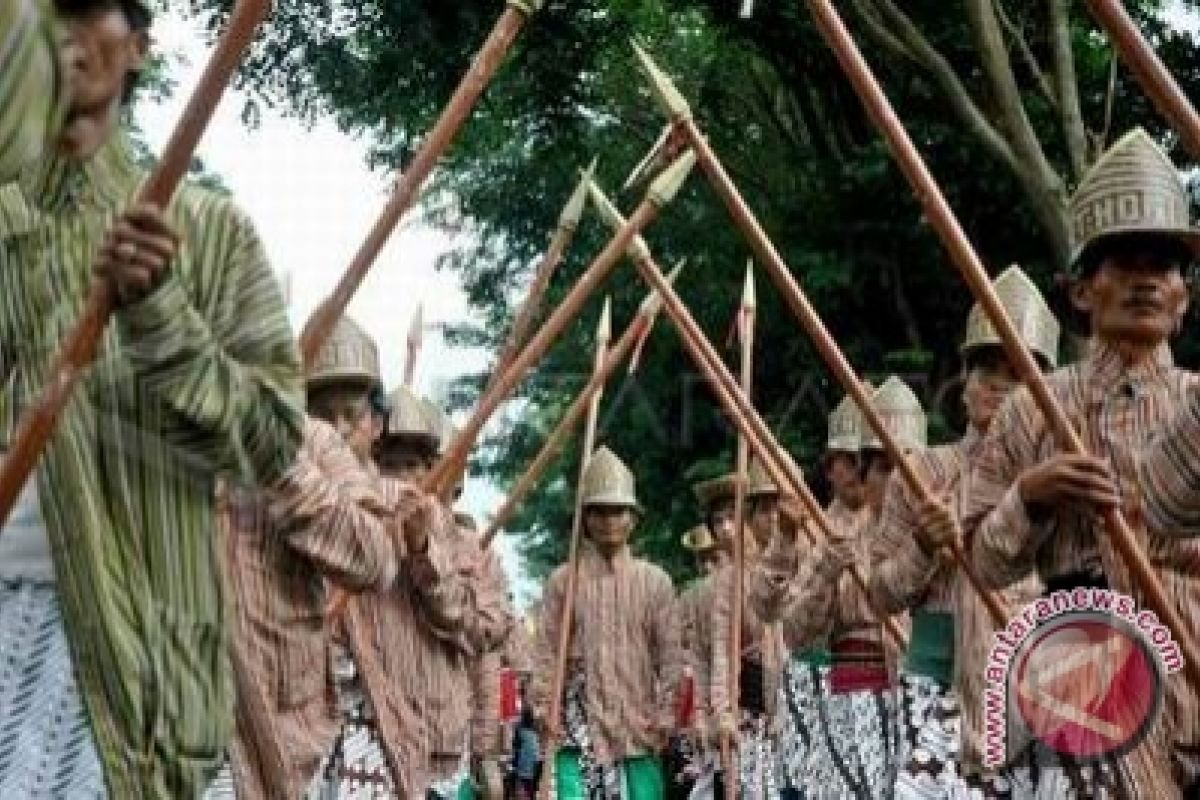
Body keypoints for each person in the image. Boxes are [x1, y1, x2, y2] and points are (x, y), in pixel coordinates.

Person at [0, 0, 304, 794]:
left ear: (136, 45)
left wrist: (163, 315)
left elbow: (273, 443)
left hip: (148, 658)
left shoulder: (212, 234)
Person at [962, 127, 1199, 797]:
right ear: (1081, 291)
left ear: (1184, 296)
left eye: (1165, 262)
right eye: (1123, 260)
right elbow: (980, 558)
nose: (1147, 278)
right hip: (1084, 691)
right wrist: (1030, 498)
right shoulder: (1034, 408)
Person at [867, 267, 1060, 798]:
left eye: (1017, 371)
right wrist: (924, 546)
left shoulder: (1062, 476)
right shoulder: (923, 472)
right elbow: (881, 593)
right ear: (964, 380)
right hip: (936, 690)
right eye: (985, 368)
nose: (998, 383)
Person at [214, 315, 405, 799]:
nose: (337, 427)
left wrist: (278, 461)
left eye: (350, 414)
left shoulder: (310, 443)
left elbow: (374, 558)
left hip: (290, 720)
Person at [752, 377, 921, 799]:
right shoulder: (814, 529)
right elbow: (775, 615)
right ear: (830, 467)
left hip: (916, 692)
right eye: (849, 460)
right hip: (843, 695)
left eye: (878, 461)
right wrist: (796, 545)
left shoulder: (923, 527)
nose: (860, 472)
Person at [353, 384, 510, 798]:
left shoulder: (469, 550)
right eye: (389, 465)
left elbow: (487, 631)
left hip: (439, 744)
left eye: (413, 467)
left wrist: (424, 554)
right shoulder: (350, 535)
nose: (401, 480)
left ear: (433, 471)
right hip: (365, 738)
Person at [532, 446, 684, 800]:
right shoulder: (563, 582)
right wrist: (542, 706)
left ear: (632, 517)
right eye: (598, 512)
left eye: (617, 511)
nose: (608, 521)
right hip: (577, 725)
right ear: (585, 519)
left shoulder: (655, 582)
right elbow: (545, 653)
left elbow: (671, 658)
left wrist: (665, 714)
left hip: (638, 726)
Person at [711, 460, 785, 800]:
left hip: (809, 703)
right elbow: (722, 651)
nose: (772, 517)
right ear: (751, 518)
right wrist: (723, 712)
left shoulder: (815, 557)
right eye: (763, 509)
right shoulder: (731, 579)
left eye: (779, 505)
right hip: (754, 709)